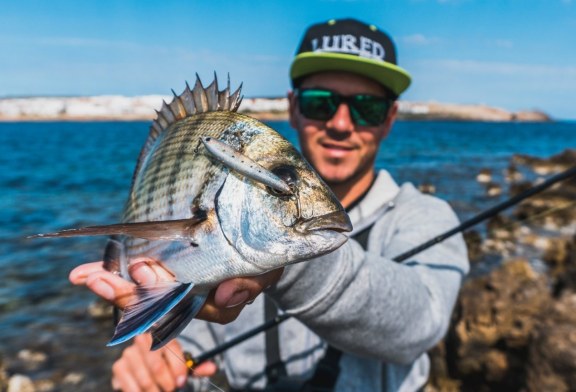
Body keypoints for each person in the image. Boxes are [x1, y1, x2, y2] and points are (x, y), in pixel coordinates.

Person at [70, 18, 469, 391]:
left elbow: (421, 324)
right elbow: (188, 319)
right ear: (293, 107)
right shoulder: (226, 221)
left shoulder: (425, 217)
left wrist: (284, 266)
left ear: (390, 118)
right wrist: (164, 359)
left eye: (368, 107)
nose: (342, 124)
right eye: (320, 103)